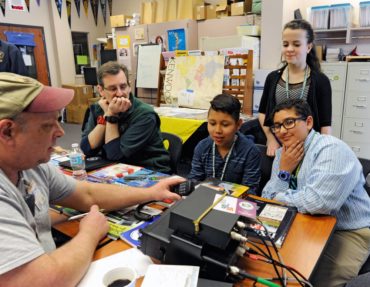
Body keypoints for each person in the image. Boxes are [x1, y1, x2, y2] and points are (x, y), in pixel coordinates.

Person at [0, 73, 183, 286]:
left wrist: (152, 192)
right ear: (7, 131)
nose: (60, 132)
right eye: (47, 125)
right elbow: (42, 281)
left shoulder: (33, 167)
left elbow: (87, 193)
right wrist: (89, 233)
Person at [262, 99, 370, 287]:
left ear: (309, 122)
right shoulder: (282, 154)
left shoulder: (331, 149)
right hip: (303, 224)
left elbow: (318, 203)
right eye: (277, 126)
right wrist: (284, 171)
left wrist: (278, 197)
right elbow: (266, 197)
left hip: (347, 231)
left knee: (308, 281)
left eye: (289, 122)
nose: (282, 131)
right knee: (273, 270)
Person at [81, 61, 171, 173]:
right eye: (113, 89)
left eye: (123, 86)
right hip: (115, 168)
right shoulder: (97, 108)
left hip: (149, 171)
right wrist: (106, 115)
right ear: (101, 90)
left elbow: (114, 155)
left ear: (129, 86)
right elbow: (87, 148)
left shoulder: (145, 114)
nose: (120, 93)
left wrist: (112, 116)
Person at [258, 19, 332, 156]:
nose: (289, 49)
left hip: (308, 149)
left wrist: (322, 152)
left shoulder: (321, 81)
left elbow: (325, 125)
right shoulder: (272, 78)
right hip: (278, 146)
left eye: (296, 44)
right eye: (285, 44)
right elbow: (262, 113)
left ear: (308, 47)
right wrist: (270, 139)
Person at [188, 94, 261, 194]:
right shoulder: (202, 147)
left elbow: (249, 192)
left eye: (225, 125)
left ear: (238, 125)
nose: (217, 130)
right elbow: (194, 181)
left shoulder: (250, 152)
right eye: (212, 123)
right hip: (204, 199)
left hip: (234, 204)